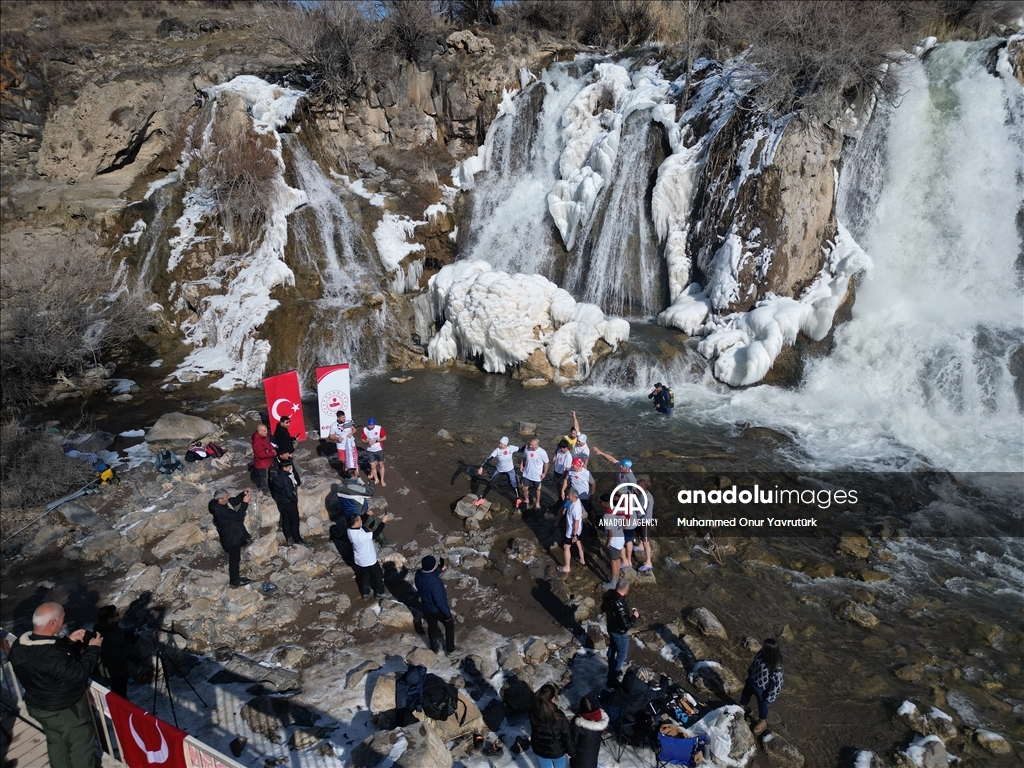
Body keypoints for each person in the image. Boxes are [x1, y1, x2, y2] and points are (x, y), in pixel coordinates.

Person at [9, 602, 103, 768]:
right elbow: (78, 674)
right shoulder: (51, 655)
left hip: (38, 706)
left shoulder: (19, 646)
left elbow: (45, 658)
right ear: (53, 623)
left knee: (56, 742)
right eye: (62, 618)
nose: (63, 621)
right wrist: (93, 649)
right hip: (65, 711)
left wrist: (67, 641)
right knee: (81, 747)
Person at [209, 488, 253, 587]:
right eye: (226, 497)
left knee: (235, 556)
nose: (228, 498)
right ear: (220, 500)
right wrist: (245, 503)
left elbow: (234, 501)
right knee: (234, 560)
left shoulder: (221, 504)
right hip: (231, 538)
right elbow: (238, 516)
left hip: (233, 534)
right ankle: (235, 580)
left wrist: (242, 494)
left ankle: (235, 578)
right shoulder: (221, 512)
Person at [740, 638, 783, 736]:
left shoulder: (776, 667)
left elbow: (777, 685)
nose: (762, 648)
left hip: (762, 690)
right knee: (745, 695)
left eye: (765, 647)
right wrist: (750, 673)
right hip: (752, 681)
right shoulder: (761, 654)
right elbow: (754, 663)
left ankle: (762, 721)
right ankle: (742, 707)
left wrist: (769, 698)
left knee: (762, 706)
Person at [414, 556, 456, 655]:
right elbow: (440, 602)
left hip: (426, 606)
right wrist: (447, 615)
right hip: (436, 609)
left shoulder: (418, 574)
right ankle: (451, 650)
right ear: (432, 567)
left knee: (432, 626)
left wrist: (439, 570)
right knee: (449, 624)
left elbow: (428, 576)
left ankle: (434, 647)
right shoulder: (435, 582)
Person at [602, 576, 638, 687]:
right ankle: (612, 677)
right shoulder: (620, 605)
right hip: (619, 632)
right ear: (626, 589)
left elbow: (603, 608)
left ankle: (610, 670)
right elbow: (626, 625)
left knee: (612, 648)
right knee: (622, 654)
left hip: (611, 627)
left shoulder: (608, 594)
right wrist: (634, 616)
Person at [347, 509, 391, 600]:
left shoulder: (350, 530)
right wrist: (383, 522)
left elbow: (359, 521)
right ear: (356, 523)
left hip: (360, 560)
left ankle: (366, 593)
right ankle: (380, 593)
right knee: (378, 575)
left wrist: (366, 515)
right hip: (369, 560)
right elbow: (375, 534)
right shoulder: (360, 536)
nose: (361, 520)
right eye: (360, 520)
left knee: (365, 576)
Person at [529, 683, 574, 768]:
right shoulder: (559, 716)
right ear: (553, 698)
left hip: (539, 748)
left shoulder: (532, 710)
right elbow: (567, 737)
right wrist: (571, 752)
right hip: (557, 751)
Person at [94, 605, 132, 699]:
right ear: (109, 620)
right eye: (115, 616)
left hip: (110, 668)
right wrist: (130, 644)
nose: (118, 618)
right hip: (115, 672)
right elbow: (117, 657)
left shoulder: (102, 626)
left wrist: (126, 635)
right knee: (120, 695)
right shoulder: (109, 636)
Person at [476, 436, 520, 506]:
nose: (499, 445)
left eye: (501, 444)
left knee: (513, 484)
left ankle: (518, 499)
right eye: (499, 443)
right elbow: (489, 458)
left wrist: (528, 446)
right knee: (490, 484)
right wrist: (481, 467)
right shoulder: (497, 450)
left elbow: (521, 449)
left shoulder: (511, 448)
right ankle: (482, 499)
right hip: (500, 471)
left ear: (505, 445)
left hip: (510, 470)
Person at [269, 461, 305, 546]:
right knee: (295, 521)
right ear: (284, 468)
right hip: (289, 503)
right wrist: (294, 500)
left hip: (282, 502)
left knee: (286, 520)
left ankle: (289, 538)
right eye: (289, 467)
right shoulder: (286, 479)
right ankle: (298, 539)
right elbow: (289, 493)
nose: (290, 469)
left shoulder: (276, 476)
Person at [569, 695, 608, 768]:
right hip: (593, 753)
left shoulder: (578, 724)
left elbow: (573, 742)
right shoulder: (601, 720)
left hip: (579, 758)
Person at [561, 457, 595, 530]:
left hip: (584, 496)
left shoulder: (586, 473)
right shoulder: (570, 471)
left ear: (579, 465)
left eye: (574, 464)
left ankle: (593, 525)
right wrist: (563, 491)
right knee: (565, 507)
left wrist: (592, 494)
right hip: (572, 496)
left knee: (590, 511)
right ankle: (561, 522)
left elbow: (593, 483)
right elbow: (566, 480)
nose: (572, 465)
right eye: (572, 464)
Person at [600, 494, 624, 589]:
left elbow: (610, 532)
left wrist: (608, 543)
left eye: (601, 502)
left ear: (606, 504)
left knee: (613, 562)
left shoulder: (606, 516)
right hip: (621, 538)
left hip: (613, 541)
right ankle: (616, 578)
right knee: (617, 559)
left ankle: (613, 583)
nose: (600, 503)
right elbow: (625, 521)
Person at [519, 438, 549, 511]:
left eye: (532, 445)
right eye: (530, 444)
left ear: (537, 445)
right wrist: (521, 465)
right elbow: (524, 457)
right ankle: (527, 500)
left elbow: (546, 463)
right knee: (524, 488)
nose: (530, 446)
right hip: (527, 473)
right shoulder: (527, 449)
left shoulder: (542, 452)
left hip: (537, 476)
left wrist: (544, 473)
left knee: (537, 489)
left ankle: (537, 503)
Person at [560, 488, 585, 573]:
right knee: (579, 542)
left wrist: (574, 535)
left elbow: (576, 523)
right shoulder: (577, 501)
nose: (567, 497)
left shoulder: (575, 508)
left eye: (569, 496)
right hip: (578, 530)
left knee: (566, 547)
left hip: (571, 531)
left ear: (573, 496)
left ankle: (567, 567)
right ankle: (582, 559)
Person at [328, 410, 358, 475]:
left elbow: (355, 429)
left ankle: (357, 475)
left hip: (351, 444)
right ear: (338, 418)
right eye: (342, 417)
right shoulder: (333, 426)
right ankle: (347, 475)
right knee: (343, 461)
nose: (344, 419)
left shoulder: (349, 421)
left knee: (355, 459)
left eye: (344, 417)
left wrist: (351, 433)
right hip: (341, 446)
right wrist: (337, 438)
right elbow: (331, 436)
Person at [634, 477, 654, 573]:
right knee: (637, 533)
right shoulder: (641, 493)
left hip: (644, 521)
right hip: (639, 519)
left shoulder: (649, 499)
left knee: (646, 541)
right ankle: (640, 545)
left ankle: (648, 562)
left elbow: (647, 513)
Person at [251, 424, 276, 496]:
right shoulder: (257, 441)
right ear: (259, 432)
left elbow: (269, 445)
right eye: (264, 431)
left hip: (268, 460)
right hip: (262, 463)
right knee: (264, 477)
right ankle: (266, 491)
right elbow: (261, 455)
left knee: (270, 475)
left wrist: (272, 450)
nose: (266, 432)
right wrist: (272, 453)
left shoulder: (264, 437)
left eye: (266, 431)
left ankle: (271, 488)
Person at [361, 417, 387, 486]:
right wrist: (367, 442)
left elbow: (384, 437)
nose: (370, 427)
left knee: (381, 465)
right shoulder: (364, 429)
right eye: (369, 425)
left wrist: (376, 440)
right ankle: (376, 479)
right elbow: (363, 439)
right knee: (372, 466)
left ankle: (382, 479)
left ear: (374, 424)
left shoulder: (379, 428)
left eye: (372, 425)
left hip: (379, 449)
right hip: (370, 450)